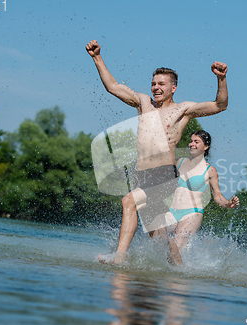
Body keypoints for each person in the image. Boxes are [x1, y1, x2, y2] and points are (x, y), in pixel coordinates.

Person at [86, 40, 229, 264]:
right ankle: (178, 269)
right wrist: (97, 57)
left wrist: (221, 79)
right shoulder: (143, 103)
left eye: (161, 84)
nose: (156, 87)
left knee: (128, 201)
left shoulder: (183, 110)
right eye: (153, 83)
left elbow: (220, 105)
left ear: (174, 88)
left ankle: (119, 257)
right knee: (158, 236)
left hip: (164, 175)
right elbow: (113, 87)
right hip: (140, 175)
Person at [164, 130, 239, 265]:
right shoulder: (181, 162)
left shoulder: (210, 170)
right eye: (191, 141)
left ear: (205, 147)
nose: (192, 144)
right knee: (155, 236)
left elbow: (217, 196)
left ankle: (179, 278)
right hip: (172, 210)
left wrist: (228, 204)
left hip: (192, 214)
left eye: (196, 142)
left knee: (175, 248)